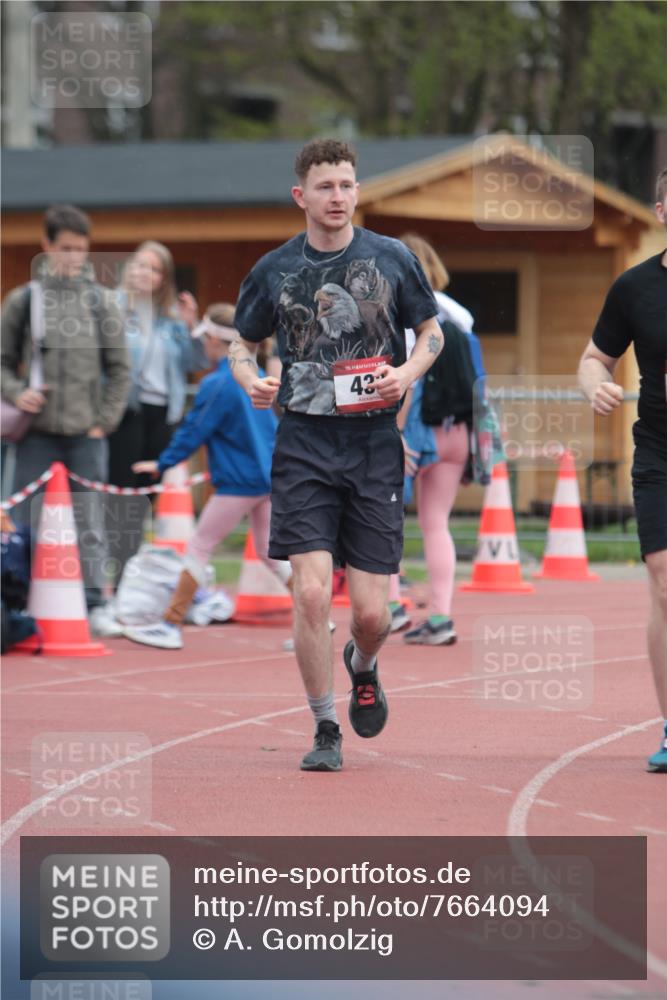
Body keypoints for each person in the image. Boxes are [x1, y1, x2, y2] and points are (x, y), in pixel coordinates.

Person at [229, 138, 443, 772]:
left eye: (347, 185)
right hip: (303, 443)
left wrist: (406, 375)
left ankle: (364, 664)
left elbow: (431, 333)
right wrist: (250, 380)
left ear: (358, 190)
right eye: (325, 187)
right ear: (302, 195)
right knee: (313, 597)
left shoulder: (393, 258)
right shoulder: (273, 270)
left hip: (375, 443)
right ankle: (325, 726)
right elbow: (241, 343)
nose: (338, 197)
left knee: (373, 614)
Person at [122, 303, 291, 650]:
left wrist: (163, 462)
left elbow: (194, 430)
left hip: (240, 481)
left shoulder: (219, 384)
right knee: (269, 552)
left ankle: (170, 624)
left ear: (215, 340)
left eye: (206, 339)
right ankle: (318, 618)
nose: (202, 346)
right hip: (268, 477)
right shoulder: (252, 375)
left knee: (199, 546)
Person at [0, 204, 129, 635]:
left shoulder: (101, 301)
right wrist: (20, 393)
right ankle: (16, 600)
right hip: (34, 434)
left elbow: (120, 367)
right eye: (66, 249)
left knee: (89, 521)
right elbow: (1, 363)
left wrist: (104, 421)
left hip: (86, 435)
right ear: (46, 246)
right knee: (21, 521)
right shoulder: (24, 300)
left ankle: (95, 603)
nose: (73, 258)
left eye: (81, 250)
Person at [578, 165, 667, 774]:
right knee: (664, 585)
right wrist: (595, 384)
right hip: (661, 454)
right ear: (661, 211)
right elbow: (593, 357)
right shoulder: (634, 287)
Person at [390, 233, 487, 646]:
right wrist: (478, 449)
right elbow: (478, 383)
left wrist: (393, 433)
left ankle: (392, 607)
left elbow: (408, 379)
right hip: (458, 431)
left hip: (415, 429)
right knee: (436, 524)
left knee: (383, 521)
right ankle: (442, 616)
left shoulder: (406, 315)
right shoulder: (460, 316)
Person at [108, 240, 207, 489]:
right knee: (121, 482)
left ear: (164, 278)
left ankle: (134, 528)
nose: (145, 273)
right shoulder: (111, 307)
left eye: (154, 269)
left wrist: (191, 326)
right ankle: (115, 529)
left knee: (149, 484)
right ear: (129, 269)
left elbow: (197, 362)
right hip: (126, 408)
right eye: (140, 266)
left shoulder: (173, 317)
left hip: (163, 411)